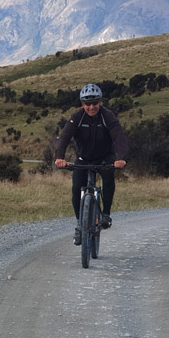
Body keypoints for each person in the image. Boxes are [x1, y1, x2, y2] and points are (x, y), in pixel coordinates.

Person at [54, 83, 129, 245]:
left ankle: (106, 214)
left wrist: (121, 157)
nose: (91, 107)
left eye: (95, 103)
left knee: (109, 180)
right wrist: (59, 157)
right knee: (76, 189)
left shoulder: (107, 116)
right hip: (83, 159)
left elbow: (119, 136)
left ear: (99, 102)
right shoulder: (77, 117)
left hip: (105, 158)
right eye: (87, 104)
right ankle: (80, 225)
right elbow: (65, 137)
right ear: (82, 104)